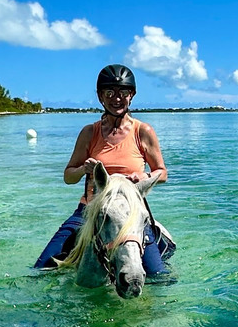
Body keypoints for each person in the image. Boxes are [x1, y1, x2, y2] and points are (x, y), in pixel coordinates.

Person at [34, 64, 171, 273]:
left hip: (131, 213)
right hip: (89, 211)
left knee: (158, 276)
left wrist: (146, 175)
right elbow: (68, 177)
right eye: (109, 92)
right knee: (42, 268)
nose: (116, 98)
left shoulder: (143, 131)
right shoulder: (89, 133)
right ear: (100, 97)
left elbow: (162, 172)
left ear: (131, 95)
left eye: (123, 92)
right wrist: (82, 169)